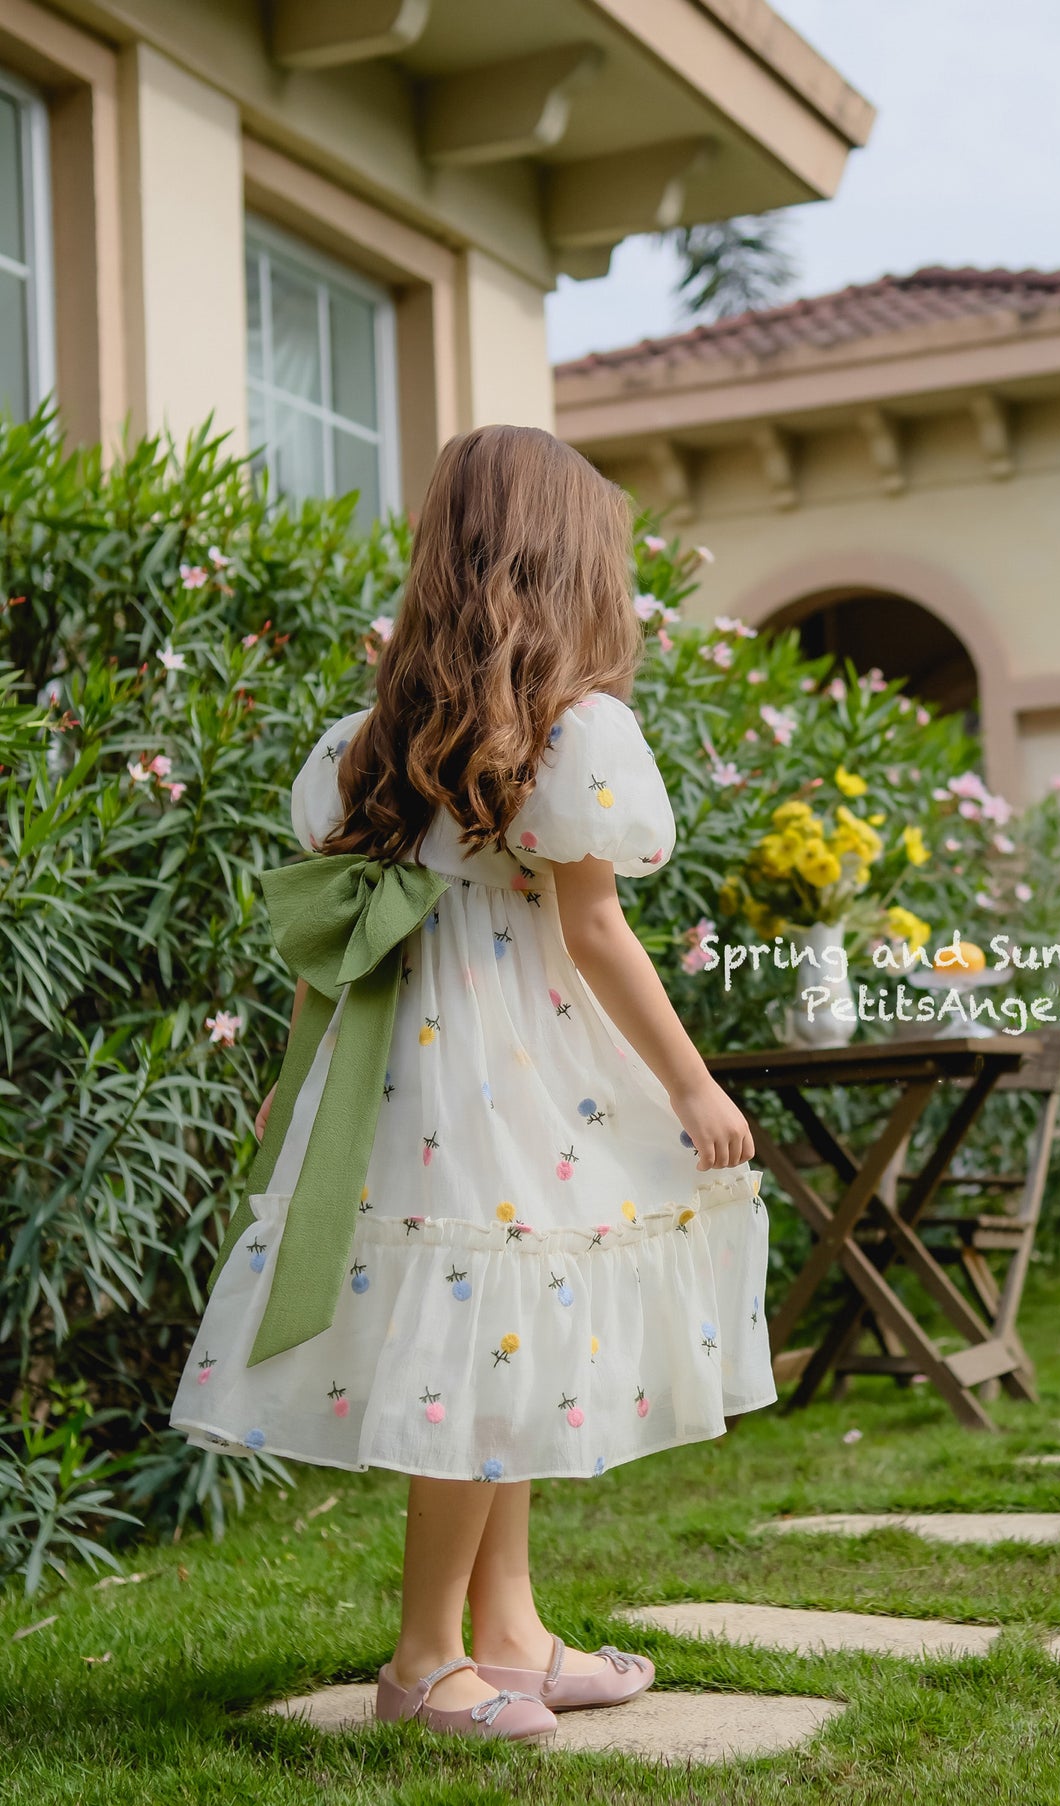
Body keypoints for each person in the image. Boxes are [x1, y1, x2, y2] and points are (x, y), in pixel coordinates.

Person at [171, 425, 775, 1743]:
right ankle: (420, 1657)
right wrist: (689, 1083)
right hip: (501, 1077)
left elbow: (336, 930)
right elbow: (595, 929)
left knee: (512, 1341)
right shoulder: (568, 734)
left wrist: (297, 1076)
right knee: (481, 1340)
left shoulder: (375, 740)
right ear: (567, 567)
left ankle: (507, 1634)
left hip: (415, 1074)